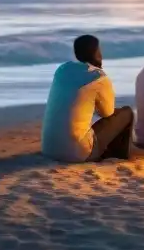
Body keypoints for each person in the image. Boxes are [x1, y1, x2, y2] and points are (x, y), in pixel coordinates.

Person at [41, 34, 134, 162]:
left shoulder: (62, 69)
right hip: (77, 153)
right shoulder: (98, 76)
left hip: (48, 149)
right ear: (96, 53)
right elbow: (107, 113)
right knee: (126, 113)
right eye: (99, 50)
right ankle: (115, 155)